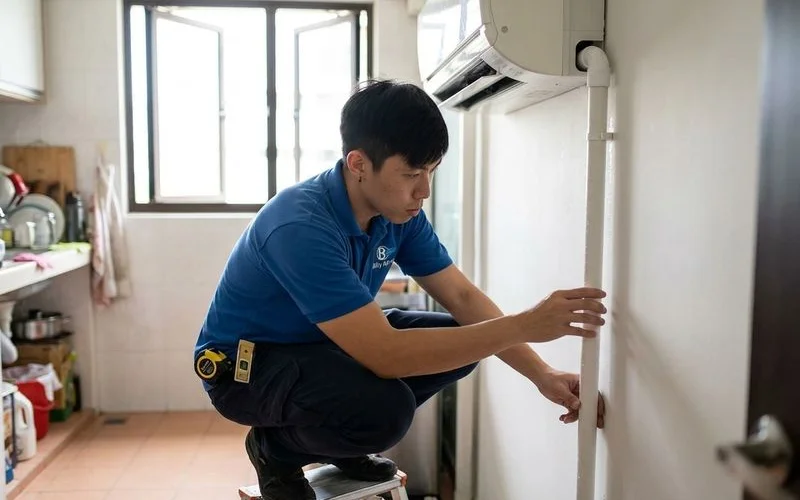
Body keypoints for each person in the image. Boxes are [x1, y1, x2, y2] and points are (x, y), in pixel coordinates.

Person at [193, 79, 607, 500]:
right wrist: (524, 325)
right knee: (386, 412)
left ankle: (341, 444)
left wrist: (543, 374)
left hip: (320, 346)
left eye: (431, 171)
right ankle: (274, 449)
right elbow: (385, 356)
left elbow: (463, 299)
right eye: (411, 173)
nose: (424, 190)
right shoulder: (299, 226)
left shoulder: (399, 214)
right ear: (358, 164)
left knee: (460, 343)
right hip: (247, 369)